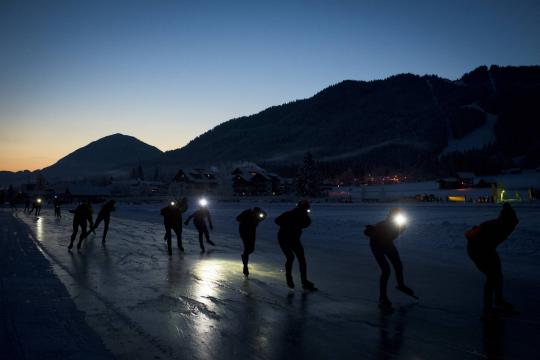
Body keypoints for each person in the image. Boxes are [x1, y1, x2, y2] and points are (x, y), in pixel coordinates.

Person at [465, 202, 519, 318]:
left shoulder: (506, 227)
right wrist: (475, 232)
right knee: (492, 276)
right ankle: (488, 307)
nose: (512, 228)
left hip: (488, 249)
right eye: (512, 224)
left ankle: (498, 300)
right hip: (476, 250)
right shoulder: (490, 225)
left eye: (514, 225)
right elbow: (468, 234)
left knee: (498, 275)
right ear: (505, 221)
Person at [364, 208, 416, 310]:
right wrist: (372, 231)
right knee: (386, 271)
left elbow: (394, 234)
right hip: (376, 245)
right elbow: (366, 232)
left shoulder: (402, 225)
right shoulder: (382, 224)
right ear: (390, 216)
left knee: (398, 265)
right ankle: (383, 297)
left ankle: (401, 285)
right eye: (394, 216)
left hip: (387, 244)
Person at [275, 200, 316, 290]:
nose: (307, 211)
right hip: (284, 238)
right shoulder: (289, 214)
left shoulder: (304, 217)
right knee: (291, 257)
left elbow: (307, 223)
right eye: (306, 209)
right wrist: (288, 225)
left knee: (301, 259)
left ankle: (304, 281)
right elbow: (277, 220)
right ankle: (289, 278)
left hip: (294, 239)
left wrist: (297, 224)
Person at [236, 207, 267, 276]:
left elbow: (264, 215)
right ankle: (245, 266)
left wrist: (261, 217)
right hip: (244, 232)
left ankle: (244, 256)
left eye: (257, 214)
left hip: (252, 232)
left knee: (251, 249)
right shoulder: (247, 213)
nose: (255, 215)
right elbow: (238, 218)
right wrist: (244, 221)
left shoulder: (258, 216)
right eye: (254, 214)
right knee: (247, 248)